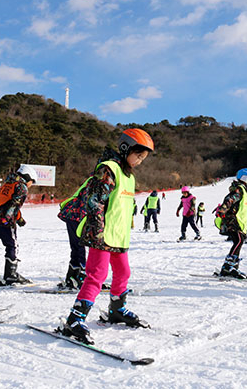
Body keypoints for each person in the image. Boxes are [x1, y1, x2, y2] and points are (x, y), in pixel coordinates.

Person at [62, 128, 154, 344]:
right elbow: (95, 202)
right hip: (102, 234)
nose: (140, 161)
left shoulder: (129, 175)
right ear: (125, 148)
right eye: (138, 155)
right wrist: (98, 230)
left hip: (119, 236)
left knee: (123, 272)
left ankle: (117, 310)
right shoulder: (108, 168)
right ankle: (75, 319)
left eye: (143, 158)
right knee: (97, 275)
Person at [215, 168, 247, 278]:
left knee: (239, 241)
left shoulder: (245, 192)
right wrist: (223, 209)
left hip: (238, 222)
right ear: (245, 178)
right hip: (232, 220)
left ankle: (231, 267)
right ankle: (229, 266)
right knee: (239, 240)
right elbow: (229, 200)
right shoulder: (239, 190)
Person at [56, 175, 92, 289]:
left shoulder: (91, 180)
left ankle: (73, 276)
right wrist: (85, 225)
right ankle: (79, 277)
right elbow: (85, 203)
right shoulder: (95, 182)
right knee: (79, 247)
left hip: (72, 215)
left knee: (77, 247)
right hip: (76, 216)